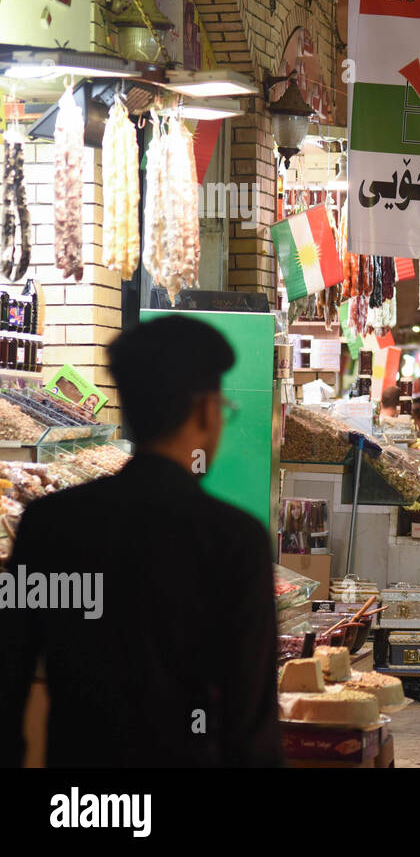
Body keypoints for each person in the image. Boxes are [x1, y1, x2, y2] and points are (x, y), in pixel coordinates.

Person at [0, 316, 282, 766]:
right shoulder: (234, 539)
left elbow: (8, 672)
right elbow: (250, 716)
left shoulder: (48, 523)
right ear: (206, 412)